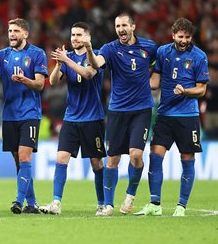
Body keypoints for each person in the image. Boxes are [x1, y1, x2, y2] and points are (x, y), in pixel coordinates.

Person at [84, 13, 157, 216]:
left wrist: (153, 83)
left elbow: (156, 67)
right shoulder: (109, 48)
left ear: (133, 26)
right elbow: (96, 64)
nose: (121, 29)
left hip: (141, 109)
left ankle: (130, 196)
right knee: (112, 159)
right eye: (117, 26)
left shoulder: (149, 47)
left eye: (124, 25)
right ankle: (108, 205)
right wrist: (90, 49)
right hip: (117, 110)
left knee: (136, 155)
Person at [135, 18, 209, 217]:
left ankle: (181, 206)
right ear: (173, 35)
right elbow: (155, 81)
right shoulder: (162, 52)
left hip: (188, 115)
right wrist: (137, 79)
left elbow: (202, 89)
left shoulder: (199, 56)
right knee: (155, 156)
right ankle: (155, 204)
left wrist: (185, 91)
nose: (183, 40)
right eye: (180, 36)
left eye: (187, 37)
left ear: (191, 37)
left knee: (187, 158)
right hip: (165, 114)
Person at [40, 22, 106, 215]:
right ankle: (56, 203)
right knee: (61, 158)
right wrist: (59, 64)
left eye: (79, 35)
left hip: (92, 118)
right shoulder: (66, 57)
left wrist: (67, 61)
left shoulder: (96, 56)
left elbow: (87, 74)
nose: (75, 38)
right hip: (71, 117)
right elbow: (52, 82)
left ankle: (102, 203)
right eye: (73, 35)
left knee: (96, 162)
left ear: (88, 38)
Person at [0, 18, 47, 214]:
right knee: (18, 161)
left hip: (30, 113)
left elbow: (40, 84)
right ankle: (32, 203)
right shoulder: (2, 55)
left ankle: (18, 202)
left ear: (25, 34)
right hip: (10, 114)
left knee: (24, 156)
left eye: (16, 31)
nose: (11, 34)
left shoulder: (37, 54)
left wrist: (24, 80)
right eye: (10, 30)